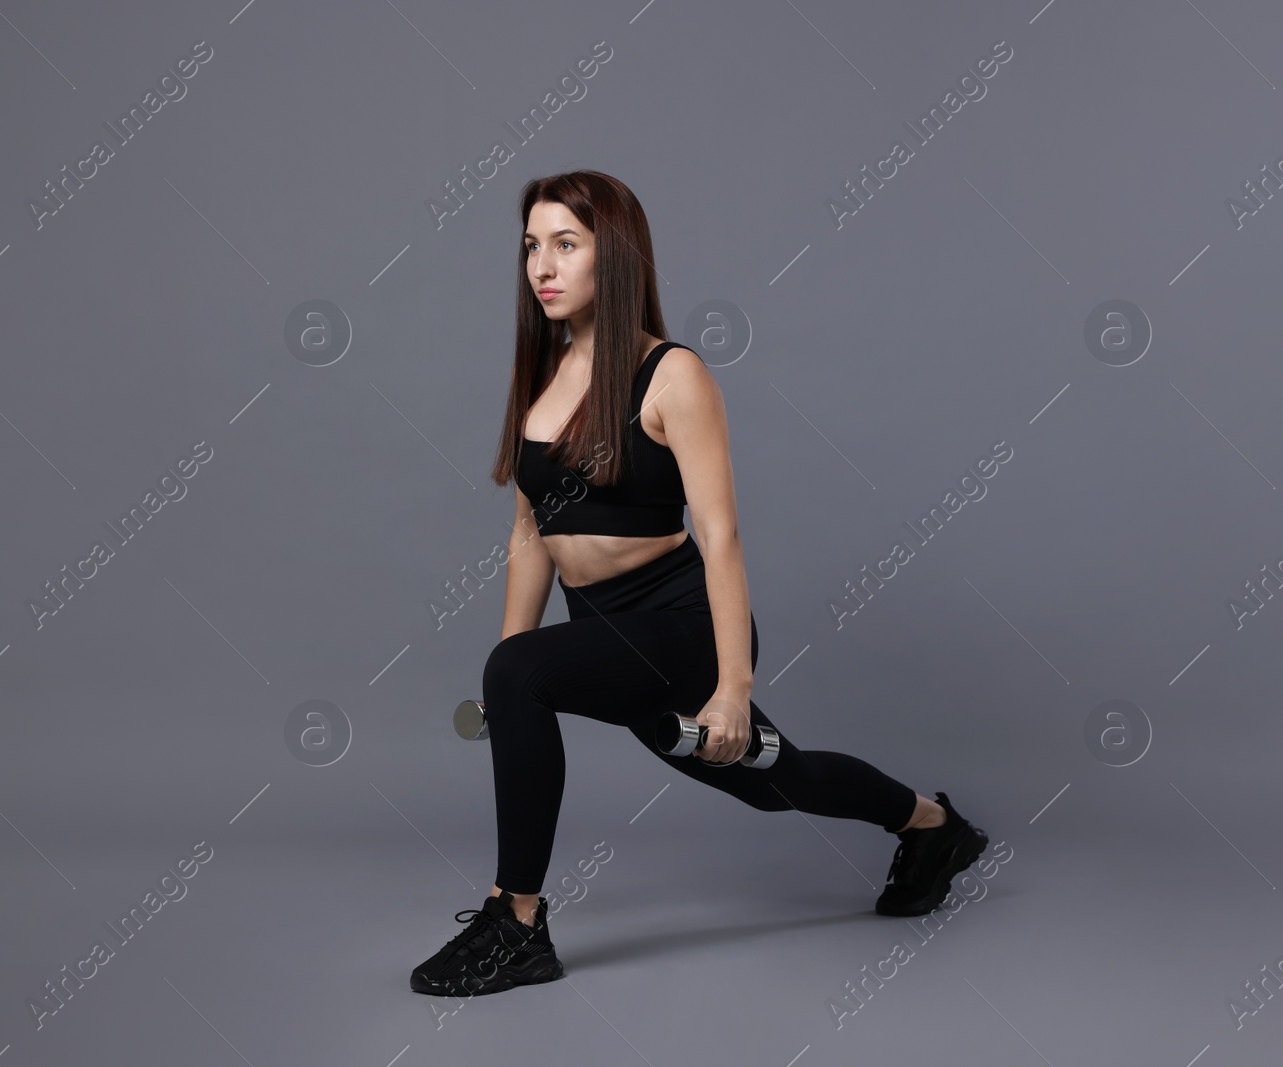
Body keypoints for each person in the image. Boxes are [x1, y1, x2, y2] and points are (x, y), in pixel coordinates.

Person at [409, 170, 988, 999]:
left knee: (733, 754)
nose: (543, 264)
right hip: (606, 632)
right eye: (533, 246)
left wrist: (732, 688)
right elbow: (531, 529)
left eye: (565, 244)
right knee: (777, 787)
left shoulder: (673, 375)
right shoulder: (546, 373)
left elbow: (720, 535)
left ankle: (518, 923)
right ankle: (933, 824)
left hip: (681, 629)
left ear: (616, 255)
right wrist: (512, 660)